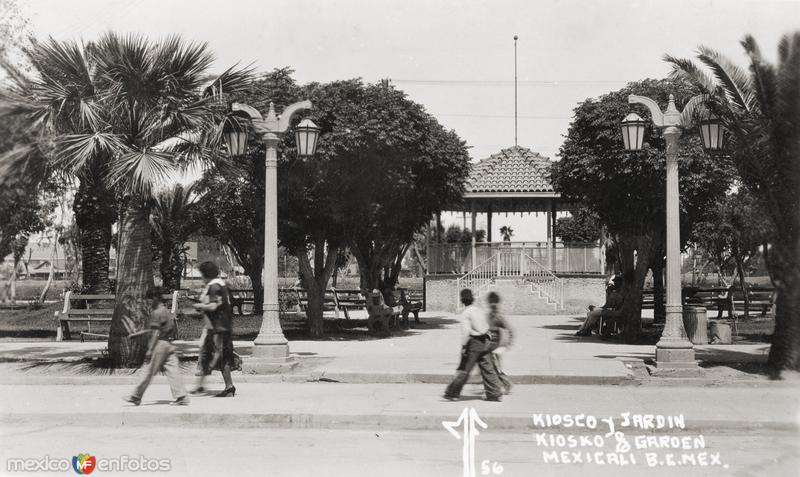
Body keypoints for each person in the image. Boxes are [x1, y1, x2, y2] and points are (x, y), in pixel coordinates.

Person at [123, 287, 189, 406]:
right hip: (168, 344)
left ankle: (136, 396)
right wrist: (138, 334)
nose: (147, 302)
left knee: (148, 370)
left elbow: (155, 333)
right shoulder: (164, 310)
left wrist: (150, 349)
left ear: (154, 298)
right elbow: (154, 329)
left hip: (159, 345)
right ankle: (181, 396)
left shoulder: (156, 312)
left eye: (149, 300)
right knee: (173, 370)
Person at [444, 289, 504, 402]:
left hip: (474, 342)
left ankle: (452, 392)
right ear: (472, 299)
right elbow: (486, 326)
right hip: (485, 340)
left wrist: (464, 346)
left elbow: (466, 332)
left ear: (462, 300)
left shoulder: (466, 313)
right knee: (487, 368)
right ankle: (495, 393)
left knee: (465, 368)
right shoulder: (478, 310)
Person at [192, 261, 236, 397]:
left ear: (206, 275)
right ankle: (225, 386)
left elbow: (213, 306)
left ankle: (228, 386)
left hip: (219, 327)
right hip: (224, 326)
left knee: (220, 357)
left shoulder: (213, 286)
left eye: (202, 275)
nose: (201, 278)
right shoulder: (222, 285)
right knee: (220, 357)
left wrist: (199, 306)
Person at [486, 292, 513, 394]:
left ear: (497, 303)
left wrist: (506, 345)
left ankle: (506, 384)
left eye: (494, 302)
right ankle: (497, 386)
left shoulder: (498, 317)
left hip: (497, 346)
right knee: (493, 367)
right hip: (490, 345)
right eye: (491, 302)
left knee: (495, 368)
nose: (492, 304)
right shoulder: (489, 316)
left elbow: (510, 331)